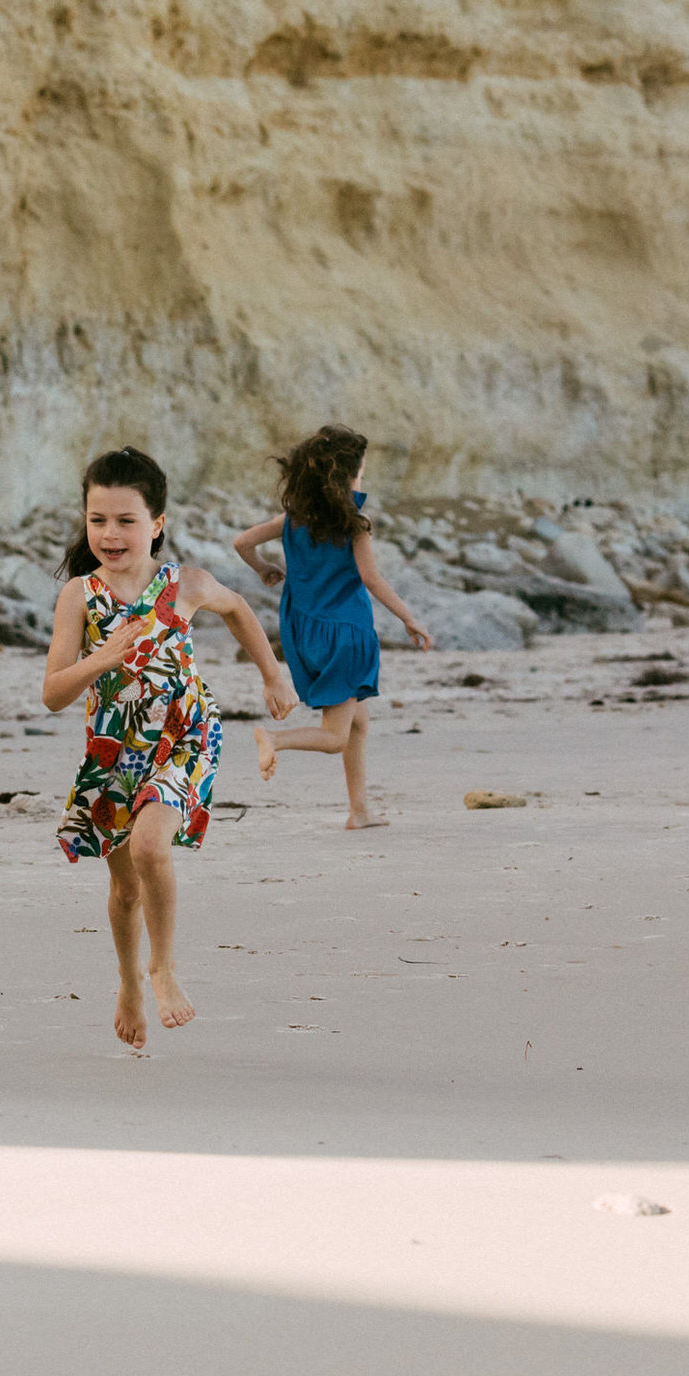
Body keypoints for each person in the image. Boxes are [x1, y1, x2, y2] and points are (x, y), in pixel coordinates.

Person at [43, 447, 295, 1050]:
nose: (109, 533)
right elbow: (53, 692)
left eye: (126, 520)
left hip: (186, 734)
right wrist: (102, 658)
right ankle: (129, 978)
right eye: (97, 519)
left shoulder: (185, 585)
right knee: (125, 888)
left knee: (152, 844)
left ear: (156, 523)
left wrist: (273, 674)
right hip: (114, 748)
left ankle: (162, 966)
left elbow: (238, 611)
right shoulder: (80, 596)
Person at [232, 424, 433, 830]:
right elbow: (372, 580)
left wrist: (265, 569)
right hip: (345, 634)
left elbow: (242, 543)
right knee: (336, 735)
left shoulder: (292, 519)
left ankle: (359, 811)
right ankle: (275, 739)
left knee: (357, 720)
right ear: (349, 478)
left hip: (303, 633)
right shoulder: (354, 524)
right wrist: (409, 618)